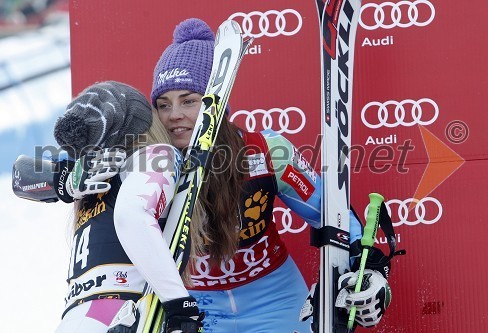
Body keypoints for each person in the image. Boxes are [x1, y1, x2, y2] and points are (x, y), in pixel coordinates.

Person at [12, 19, 396, 333]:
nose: (174, 114)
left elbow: (332, 215)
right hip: (195, 309)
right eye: (163, 104)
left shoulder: (265, 151)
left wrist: (371, 269)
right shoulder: (146, 160)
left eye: (189, 101)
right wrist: (67, 177)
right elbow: (22, 176)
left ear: (217, 99)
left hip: (274, 300)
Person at [16, 81, 205, 332]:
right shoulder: (157, 155)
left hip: (77, 315)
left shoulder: (89, 179)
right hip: (122, 312)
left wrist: (64, 182)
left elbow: (21, 175)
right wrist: (180, 305)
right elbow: (132, 217)